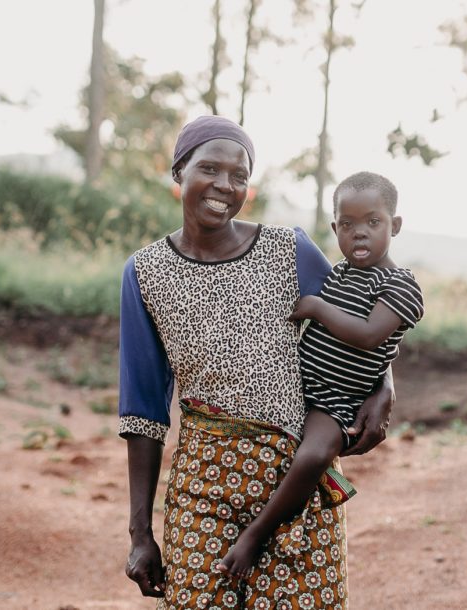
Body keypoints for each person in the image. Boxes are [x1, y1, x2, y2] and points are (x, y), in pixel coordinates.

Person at [119, 116, 395, 609]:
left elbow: (362, 314)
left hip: (297, 487)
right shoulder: (145, 272)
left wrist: (384, 384)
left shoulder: (287, 250)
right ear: (178, 172)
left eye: (239, 175)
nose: (225, 186)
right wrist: (141, 533)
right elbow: (143, 409)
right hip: (204, 488)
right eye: (210, 168)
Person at [218, 171, 424, 578]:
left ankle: (256, 535)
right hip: (295, 387)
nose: (359, 233)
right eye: (347, 225)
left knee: (312, 455)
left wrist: (315, 307)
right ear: (334, 228)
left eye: (373, 222)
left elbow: (369, 337)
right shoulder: (340, 274)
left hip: (336, 400)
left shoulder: (401, 285)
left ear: (395, 225)